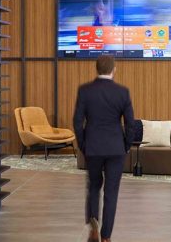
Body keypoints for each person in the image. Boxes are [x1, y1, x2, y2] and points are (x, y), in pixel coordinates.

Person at [73, 55, 135, 242]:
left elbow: (77, 122)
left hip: (93, 147)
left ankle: (93, 224)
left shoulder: (85, 91)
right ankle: (106, 236)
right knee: (111, 191)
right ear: (113, 69)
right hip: (115, 147)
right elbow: (130, 123)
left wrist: (83, 145)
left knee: (93, 186)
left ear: (96, 69)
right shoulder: (122, 92)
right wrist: (126, 145)